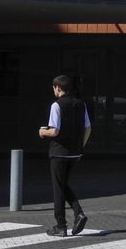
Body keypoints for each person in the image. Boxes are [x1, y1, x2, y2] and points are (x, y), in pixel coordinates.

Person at [38, 75, 92, 237]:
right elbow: (88, 128)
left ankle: (61, 225)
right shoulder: (81, 104)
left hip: (59, 152)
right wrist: (80, 147)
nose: (53, 90)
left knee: (58, 188)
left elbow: (54, 130)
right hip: (75, 153)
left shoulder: (57, 105)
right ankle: (79, 213)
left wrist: (42, 132)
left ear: (58, 88)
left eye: (54, 88)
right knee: (63, 185)